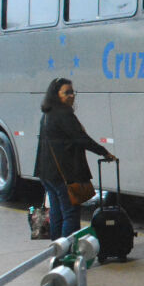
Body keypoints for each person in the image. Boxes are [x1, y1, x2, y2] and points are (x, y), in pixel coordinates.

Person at [34, 78, 115, 240]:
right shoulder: (63, 114)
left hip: (47, 173)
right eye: (67, 92)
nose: (71, 95)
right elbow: (81, 138)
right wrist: (104, 152)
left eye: (72, 92)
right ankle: (68, 249)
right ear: (56, 94)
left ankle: (56, 248)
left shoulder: (47, 114)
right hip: (63, 174)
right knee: (70, 213)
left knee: (56, 211)